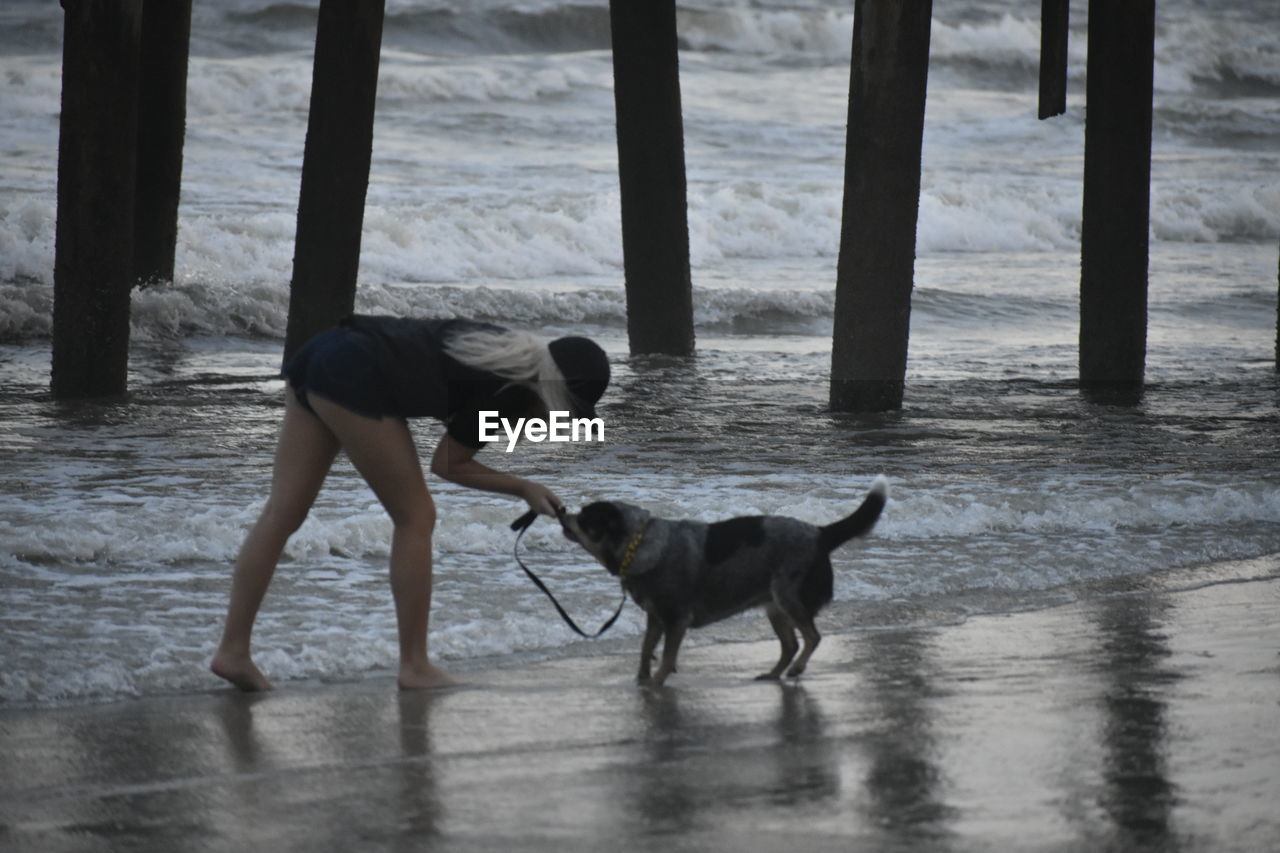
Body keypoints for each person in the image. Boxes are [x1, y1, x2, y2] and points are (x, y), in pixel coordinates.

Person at [210, 315, 610, 691]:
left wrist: (522, 487)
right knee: (417, 516)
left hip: (321, 353)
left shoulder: (502, 348)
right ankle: (415, 665)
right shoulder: (509, 389)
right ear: (557, 391)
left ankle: (233, 651)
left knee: (282, 513)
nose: (561, 417)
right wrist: (523, 487)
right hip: (356, 374)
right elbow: (449, 464)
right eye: (569, 409)